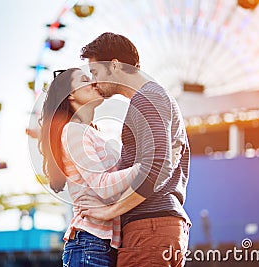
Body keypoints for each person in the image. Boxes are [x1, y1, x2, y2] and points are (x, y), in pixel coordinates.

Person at [78, 32, 191, 267]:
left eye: (96, 72)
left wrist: (110, 212)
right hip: (155, 227)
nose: (94, 81)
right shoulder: (151, 98)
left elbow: (157, 167)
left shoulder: (148, 98)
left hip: (149, 226)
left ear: (115, 65)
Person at [38, 68, 141, 267]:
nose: (93, 82)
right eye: (85, 79)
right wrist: (145, 167)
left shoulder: (90, 133)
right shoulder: (74, 131)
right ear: (71, 95)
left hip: (102, 245)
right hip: (90, 243)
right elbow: (104, 187)